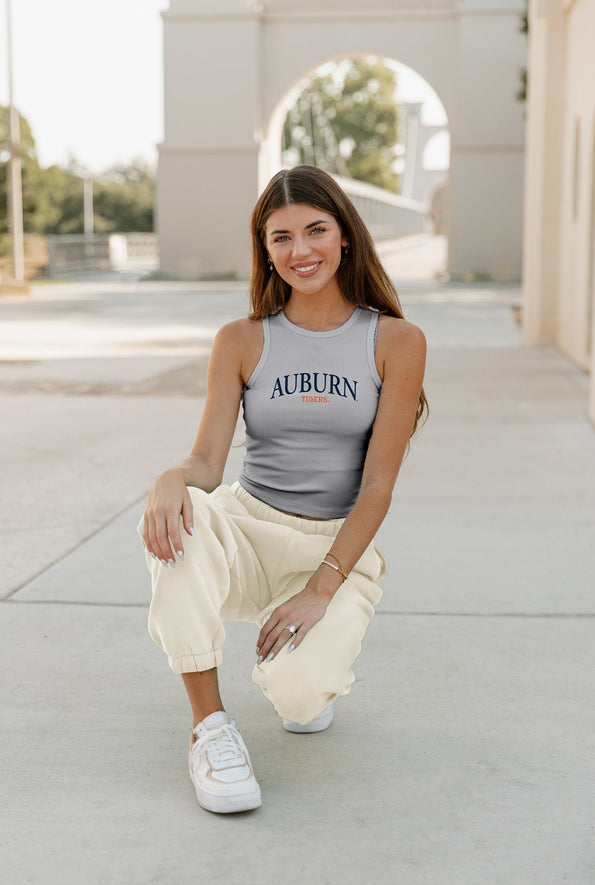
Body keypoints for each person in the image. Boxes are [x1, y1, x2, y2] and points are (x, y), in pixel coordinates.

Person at [139, 164, 427, 814]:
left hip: (333, 548)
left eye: (316, 230)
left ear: (345, 236)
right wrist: (168, 480)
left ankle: (306, 680)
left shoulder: (396, 341)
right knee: (174, 523)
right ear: (265, 251)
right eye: (282, 238)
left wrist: (323, 586)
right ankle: (209, 729)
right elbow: (207, 463)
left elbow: (379, 483)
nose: (302, 251)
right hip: (246, 527)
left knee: (301, 698)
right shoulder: (241, 340)